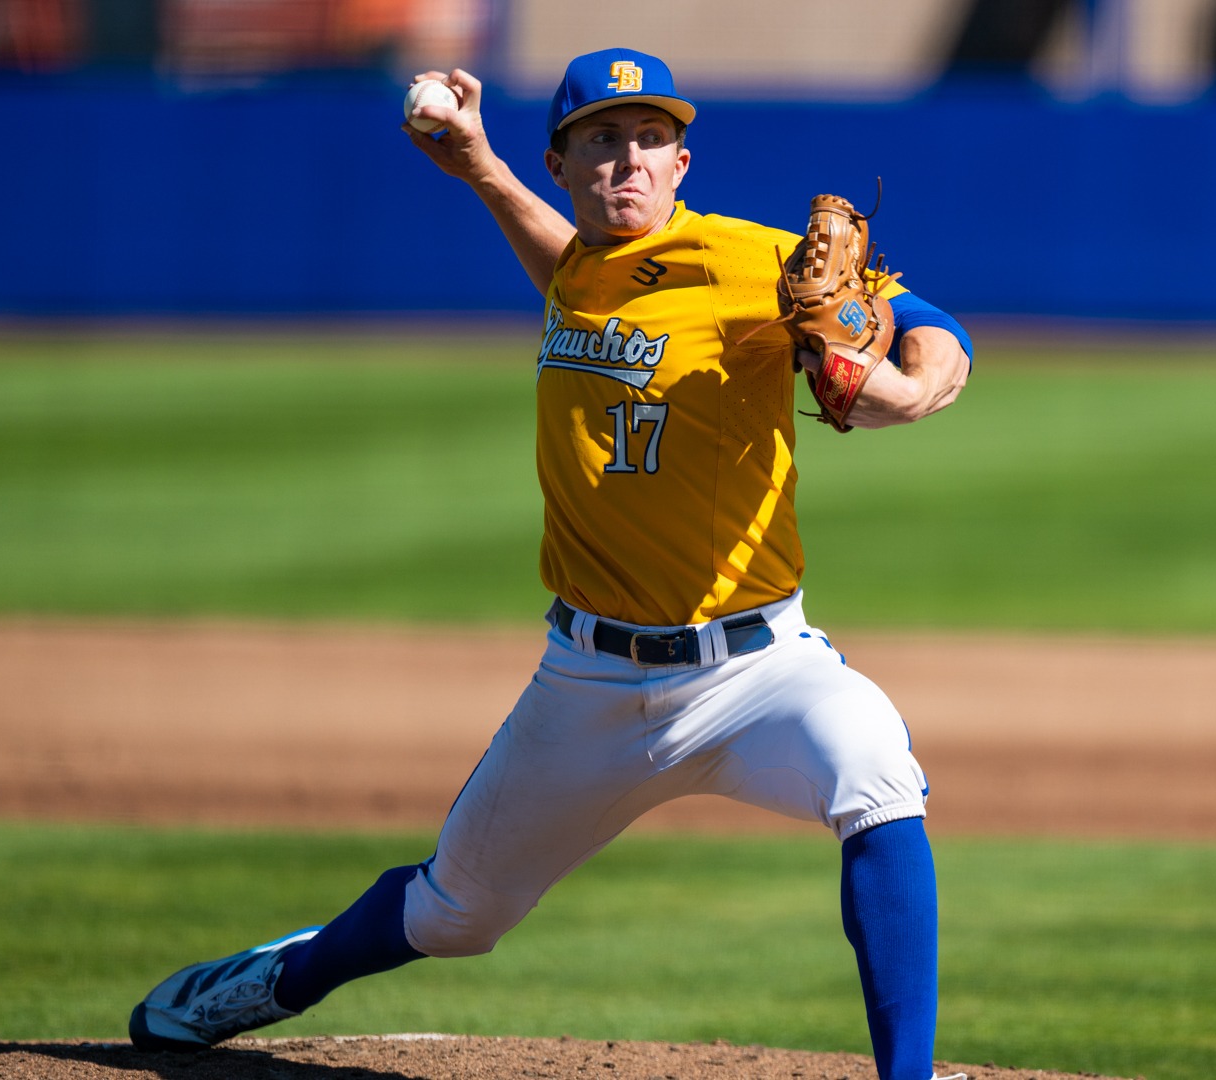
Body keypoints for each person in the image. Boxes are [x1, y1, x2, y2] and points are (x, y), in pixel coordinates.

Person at [127, 47, 975, 1080]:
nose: (629, 159)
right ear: (563, 163)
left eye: (650, 139)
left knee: (878, 778)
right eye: (602, 141)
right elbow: (574, 275)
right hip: (591, 683)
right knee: (453, 916)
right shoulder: (582, 265)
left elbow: (937, 330)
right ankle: (274, 978)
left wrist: (908, 387)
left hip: (760, 669)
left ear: (682, 162)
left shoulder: (751, 262)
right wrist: (480, 165)